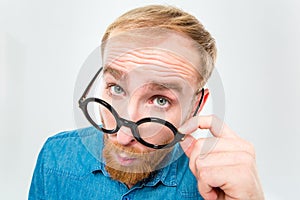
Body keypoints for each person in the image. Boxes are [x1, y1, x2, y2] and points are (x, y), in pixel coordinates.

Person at [29, 5, 264, 200]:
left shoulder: (215, 187)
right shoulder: (55, 157)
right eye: (117, 88)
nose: (122, 137)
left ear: (196, 106)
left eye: (160, 100)